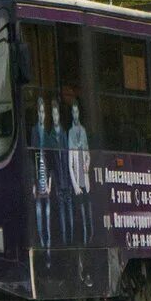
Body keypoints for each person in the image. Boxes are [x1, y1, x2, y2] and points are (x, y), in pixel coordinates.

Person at [48, 99, 73, 246]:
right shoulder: (50, 137)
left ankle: (70, 241)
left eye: (57, 115)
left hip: (67, 181)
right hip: (58, 182)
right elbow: (51, 163)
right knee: (63, 214)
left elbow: (69, 158)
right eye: (53, 115)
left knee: (69, 213)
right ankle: (65, 242)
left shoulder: (65, 135)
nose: (55, 118)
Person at [68, 100, 93, 244]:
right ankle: (85, 239)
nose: (76, 114)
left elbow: (88, 154)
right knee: (82, 213)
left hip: (86, 179)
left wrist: (87, 165)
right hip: (78, 181)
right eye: (73, 112)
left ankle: (91, 237)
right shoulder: (70, 133)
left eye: (77, 111)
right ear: (72, 114)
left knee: (89, 210)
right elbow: (70, 164)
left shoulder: (83, 131)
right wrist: (75, 185)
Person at [31, 97, 52, 251]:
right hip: (38, 181)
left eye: (43, 111)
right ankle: (42, 246)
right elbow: (32, 157)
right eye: (39, 111)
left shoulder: (47, 132)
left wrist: (51, 183)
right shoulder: (34, 131)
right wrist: (33, 182)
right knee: (39, 216)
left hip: (47, 184)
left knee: (48, 218)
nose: (41, 114)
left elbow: (51, 159)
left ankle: (49, 248)